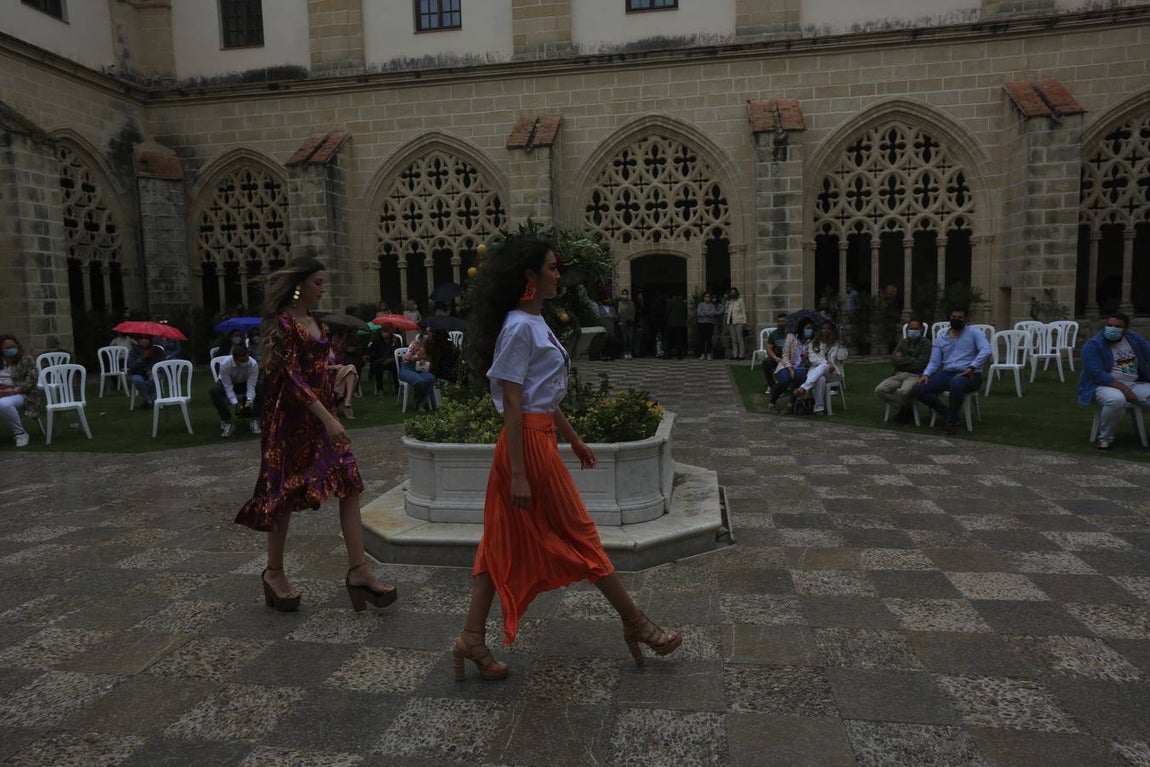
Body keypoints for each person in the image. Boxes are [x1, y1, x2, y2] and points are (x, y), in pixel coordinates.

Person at [454, 237, 681, 682]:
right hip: (526, 449)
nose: (559, 274)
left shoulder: (535, 323)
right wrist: (519, 473)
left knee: (498, 541)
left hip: (535, 440)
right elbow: (515, 403)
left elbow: (543, 397)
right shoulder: (521, 326)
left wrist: (574, 439)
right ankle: (636, 623)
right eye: (552, 268)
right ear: (530, 277)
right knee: (581, 535)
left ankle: (471, 637)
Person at [235, 257, 396, 613]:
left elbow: (318, 368)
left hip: (322, 420)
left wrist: (338, 373)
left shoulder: (317, 323)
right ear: (299, 285)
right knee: (284, 495)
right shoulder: (285, 325)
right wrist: (328, 419)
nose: (323, 288)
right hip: (291, 424)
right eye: (318, 282)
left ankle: (359, 570)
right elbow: (291, 379)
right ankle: (274, 574)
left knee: (350, 483)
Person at [1077, 311, 1150, 450]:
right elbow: (1097, 374)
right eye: (1109, 325)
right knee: (1116, 400)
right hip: (1103, 385)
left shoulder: (1134, 339)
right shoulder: (1093, 345)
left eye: (1117, 326)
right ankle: (1105, 439)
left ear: (1125, 329)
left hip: (1134, 383)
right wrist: (1124, 389)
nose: (1112, 329)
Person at [912, 306, 991, 436]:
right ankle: (948, 413)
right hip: (948, 373)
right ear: (949, 318)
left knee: (957, 383)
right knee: (918, 388)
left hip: (970, 375)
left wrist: (972, 366)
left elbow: (986, 350)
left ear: (966, 319)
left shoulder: (974, 333)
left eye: (960, 318)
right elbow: (934, 361)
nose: (956, 320)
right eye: (953, 317)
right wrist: (926, 374)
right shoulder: (942, 337)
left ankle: (950, 423)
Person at [875, 317, 932, 423]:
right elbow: (893, 360)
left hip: (915, 375)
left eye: (916, 329)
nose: (913, 331)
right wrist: (912, 360)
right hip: (899, 374)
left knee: (904, 392)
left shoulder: (926, 344)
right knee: (880, 390)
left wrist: (903, 360)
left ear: (921, 330)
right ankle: (905, 409)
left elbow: (921, 365)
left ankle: (905, 412)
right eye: (911, 328)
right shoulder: (903, 342)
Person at [793, 320, 848, 415]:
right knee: (821, 378)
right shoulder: (813, 343)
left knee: (823, 367)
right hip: (818, 372)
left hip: (833, 373)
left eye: (828, 329)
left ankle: (803, 388)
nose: (825, 331)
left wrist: (842, 343)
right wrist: (827, 363)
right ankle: (818, 409)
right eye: (823, 328)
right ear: (819, 330)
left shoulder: (836, 344)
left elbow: (842, 357)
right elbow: (813, 359)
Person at [210, 344, 261, 437]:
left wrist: (249, 400)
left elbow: (251, 385)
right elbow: (228, 387)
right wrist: (236, 403)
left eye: (246, 358)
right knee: (214, 390)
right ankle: (227, 421)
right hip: (229, 383)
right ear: (234, 359)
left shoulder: (253, 364)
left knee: (260, 385)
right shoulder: (225, 364)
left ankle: (255, 419)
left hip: (244, 383)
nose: (245, 362)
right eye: (242, 360)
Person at [0, 335, 40, 448]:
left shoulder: (26, 360)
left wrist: (15, 389)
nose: (10, 349)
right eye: (7, 347)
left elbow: (32, 379)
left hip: (21, 393)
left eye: (12, 346)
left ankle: (20, 433)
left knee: (4, 404)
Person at [769, 317, 815, 412]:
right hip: (786, 365)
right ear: (802, 328)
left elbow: (811, 362)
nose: (809, 330)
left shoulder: (812, 342)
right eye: (807, 328)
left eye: (811, 328)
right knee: (785, 380)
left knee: (801, 377)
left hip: (801, 368)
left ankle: (791, 404)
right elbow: (785, 356)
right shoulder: (791, 337)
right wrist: (790, 369)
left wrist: (806, 358)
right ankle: (772, 401)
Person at [326, 328, 361, 420]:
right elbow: (317, 366)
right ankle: (347, 401)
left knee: (352, 373)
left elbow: (341, 362)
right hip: (326, 373)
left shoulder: (337, 349)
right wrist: (334, 367)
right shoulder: (322, 348)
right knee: (352, 370)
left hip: (337, 373)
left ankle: (347, 401)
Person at [400, 330, 438, 410]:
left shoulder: (430, 347)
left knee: (430, 379)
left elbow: (431, 362)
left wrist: (426, 360)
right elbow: (407, 359)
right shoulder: (414, 344)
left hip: (421, 369)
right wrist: (418, 358)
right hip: (408, 368)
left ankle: (422, 402)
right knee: (419, 381)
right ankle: (416, 401)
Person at [126, 335, 168, 407]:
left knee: (153, 380)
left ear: (150, 340)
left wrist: (154, 370)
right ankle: (149, 400)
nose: (143, 340)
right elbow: (131, 366)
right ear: (138, 340)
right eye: (141, 338)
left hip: (154, 373)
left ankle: (147, 400)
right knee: (137, 380)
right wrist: (141, 359)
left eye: (146, 338)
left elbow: (163, 364)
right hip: (139, 373)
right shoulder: (134, 351)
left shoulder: (157, 350)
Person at [367, 326, 401, 395]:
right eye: (383, 332)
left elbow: (398, 353)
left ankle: (397, 388)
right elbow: (370, 350)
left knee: (395, 367)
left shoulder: (395, 340)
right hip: (380, 361)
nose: (385, 334)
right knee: (377, 365)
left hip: (391, 361)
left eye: (387, 332)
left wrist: (394, 344)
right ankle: (380, 389)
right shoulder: (377, 340)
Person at [762, 312, 788, 388]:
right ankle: (773, 385)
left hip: (791, 356)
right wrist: (775, 358)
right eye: (779, 321)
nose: (780, 323)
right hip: (779, 356)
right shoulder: (774, 334)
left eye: (783, 321)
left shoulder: (791, 333)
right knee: (766, 362)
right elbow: (769, 348)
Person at [725, 287, 747, 360]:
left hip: (739, 322)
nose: (732, 293)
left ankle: (741, 355)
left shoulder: (740, 300)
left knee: (740, 339)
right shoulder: (730, 301)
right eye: (731, 292)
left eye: (734, 292)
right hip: (731, 322)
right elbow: (728, 312)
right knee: (734, 340)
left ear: (736, 293)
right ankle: (735, 355)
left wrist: (744, 322)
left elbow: (743, 311)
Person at [696, 293, 718, 360]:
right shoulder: (700, 304)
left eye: (708, 297)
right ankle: (702, 354)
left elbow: (713, 313)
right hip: (701, 323)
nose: (707, 298)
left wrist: (704, 312)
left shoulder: (712, 305)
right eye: (706, 297)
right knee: (701, 339)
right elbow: (699, 313)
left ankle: (709, 354)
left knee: (708, 339)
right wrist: (708, 313)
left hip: (709, 323)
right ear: (703, 297)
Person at [665, 292, 687, 359]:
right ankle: (679, 355)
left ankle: (668, 355)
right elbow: (685, 312)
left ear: (673, 296)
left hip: (671, 324)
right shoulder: (682, 303)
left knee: (669, 340)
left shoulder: (670, 302)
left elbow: (667, 312)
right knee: (678, 340)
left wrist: (666, 320)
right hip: (680, 324)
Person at [616, 289, 636, 360]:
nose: (624, 295)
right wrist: (620, 321)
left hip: (630, 323)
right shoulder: (620, 303)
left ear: (628, 294)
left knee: (630, 339)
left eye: (625, 294)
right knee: (624, 339)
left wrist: (626, 315)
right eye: (623, 293)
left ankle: (629, 353)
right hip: (623, 323)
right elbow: (619, 313)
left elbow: (633, 313)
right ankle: (625, 353)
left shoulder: (631, 303)